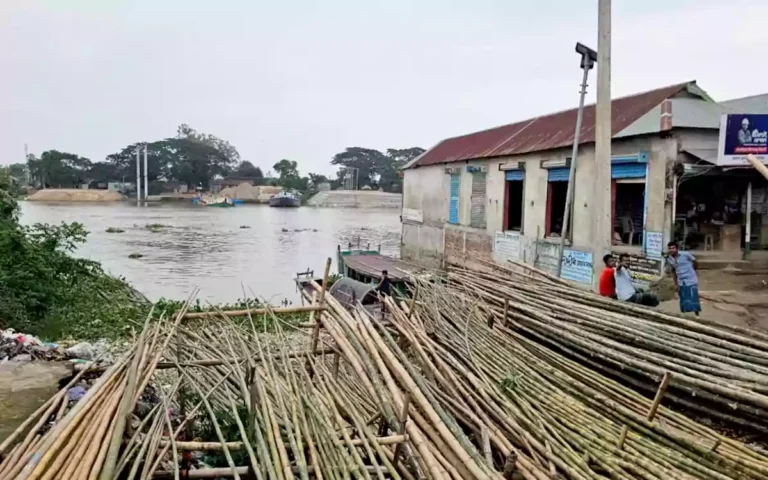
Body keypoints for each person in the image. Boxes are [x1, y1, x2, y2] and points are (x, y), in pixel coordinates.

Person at [667, 241, 700, 316]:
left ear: (677, 248)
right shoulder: (670, 259)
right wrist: (676, 284)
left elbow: (695, 262)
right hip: (681, 279)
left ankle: (697, 314)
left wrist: (693, 270)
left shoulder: (685, 254)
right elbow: (673, 271)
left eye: (673, 248)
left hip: (691, 278)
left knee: (693, 296)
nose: (671, 250)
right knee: (683, 297)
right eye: (670, 248)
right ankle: (684, 315)